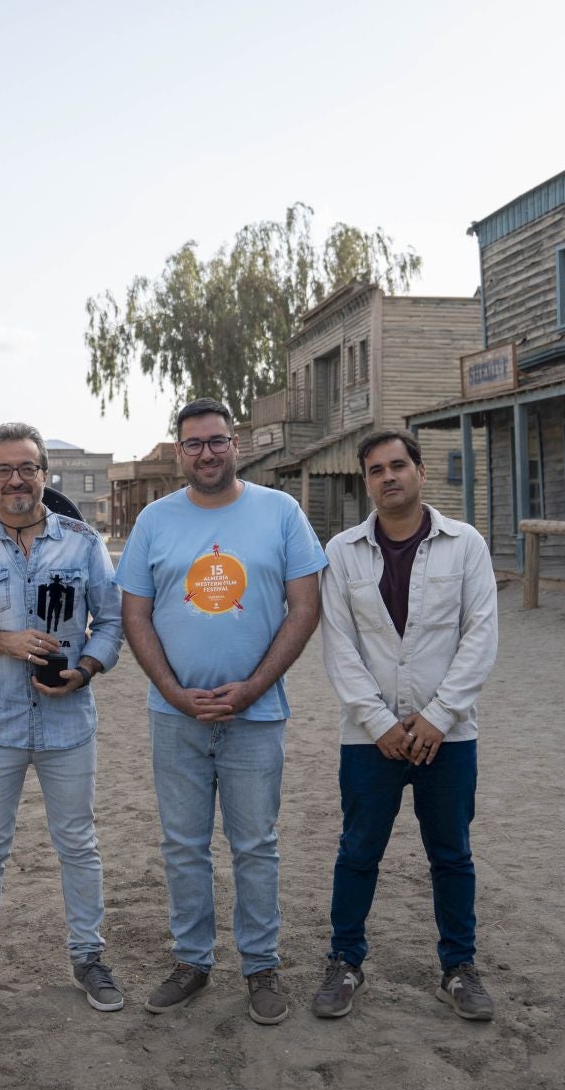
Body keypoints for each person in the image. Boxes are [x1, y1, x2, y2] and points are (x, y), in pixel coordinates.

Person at [116, 399, 325, 1025]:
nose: (206, 453)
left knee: (255, 845)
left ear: (235, 444)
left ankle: (261, 967)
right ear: (178, 452)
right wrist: (175, 691)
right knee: (183, 845)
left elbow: (305, 608)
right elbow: (134, 614)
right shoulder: (154, 520)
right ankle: (192, 962)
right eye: (193, 444)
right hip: (174, 716)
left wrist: (255, 687)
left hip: (256, 716)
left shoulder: (281, 512)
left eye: (216, 441)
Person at [0, 422, 125, 1018]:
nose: (16, 480)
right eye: (4, 470)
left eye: (28, 468)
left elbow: (112, 624)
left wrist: (86, 669)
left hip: (69, 725)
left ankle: (89, 958)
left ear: (44, 474)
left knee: (79, 845)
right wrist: (2, 642)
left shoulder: (83, 542)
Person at [311, 429, 500, 1023]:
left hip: (450, 734)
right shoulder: (342, 552)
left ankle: (459, 967)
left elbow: (480, 636)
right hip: (370, 737)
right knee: (358, 850)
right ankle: (345, 961)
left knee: (451, 854)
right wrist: (379, 722)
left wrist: (438, 716)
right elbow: (339, 645)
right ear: (365, 480)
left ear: (420, 472)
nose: (388, 477)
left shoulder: (465, 545)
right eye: (375, 470)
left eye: (398, 465)